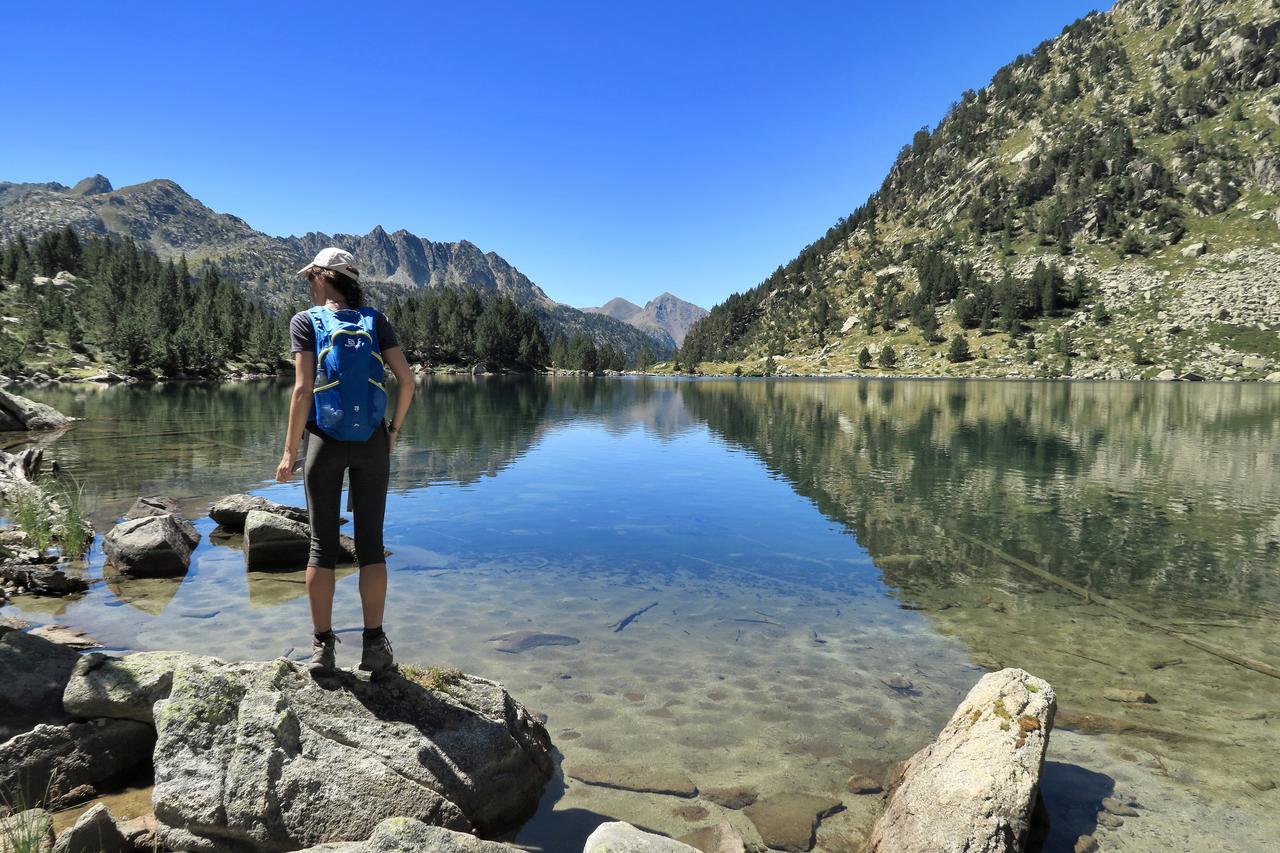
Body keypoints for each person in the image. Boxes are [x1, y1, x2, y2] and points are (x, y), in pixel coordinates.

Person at [274, 247, 415, 677]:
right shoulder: (375, 321)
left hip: (324, 443)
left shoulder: (306, 321)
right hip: (372, 441)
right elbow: (407, 381)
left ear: (322, 276)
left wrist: (288, 452)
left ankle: (323, 649)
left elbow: (301, 392)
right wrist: (391, 433)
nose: (308, 285)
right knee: (371, 545)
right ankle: (374, 646)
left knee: (322, 546)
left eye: (309, 278)